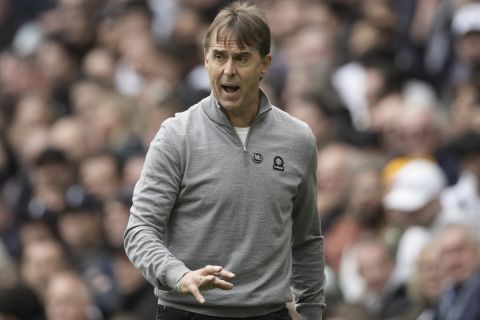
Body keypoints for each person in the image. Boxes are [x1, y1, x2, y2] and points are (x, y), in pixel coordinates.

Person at [124, 2, 326, 319]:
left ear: (265, 64)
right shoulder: (175, 136)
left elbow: (306, 241)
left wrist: (312, 313)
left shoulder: (298, 140)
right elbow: (139, 231)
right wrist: (179, 275)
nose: (228, 70)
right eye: (219, 56)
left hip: (268, 313)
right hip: (187, 310)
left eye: (242, 58)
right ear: (206, 60)